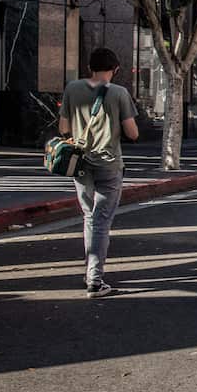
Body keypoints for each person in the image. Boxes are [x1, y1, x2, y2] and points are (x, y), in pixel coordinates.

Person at [57, 47, 140, 298]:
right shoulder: (119, 93)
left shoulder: (72, 88)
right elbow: (133, 133)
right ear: (115, 69)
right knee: (102, 221)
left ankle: (90, 271)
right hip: (109, 165)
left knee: (88, 217)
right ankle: (95, 280)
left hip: (81, 164)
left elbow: (63, 128)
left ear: (89, 67)